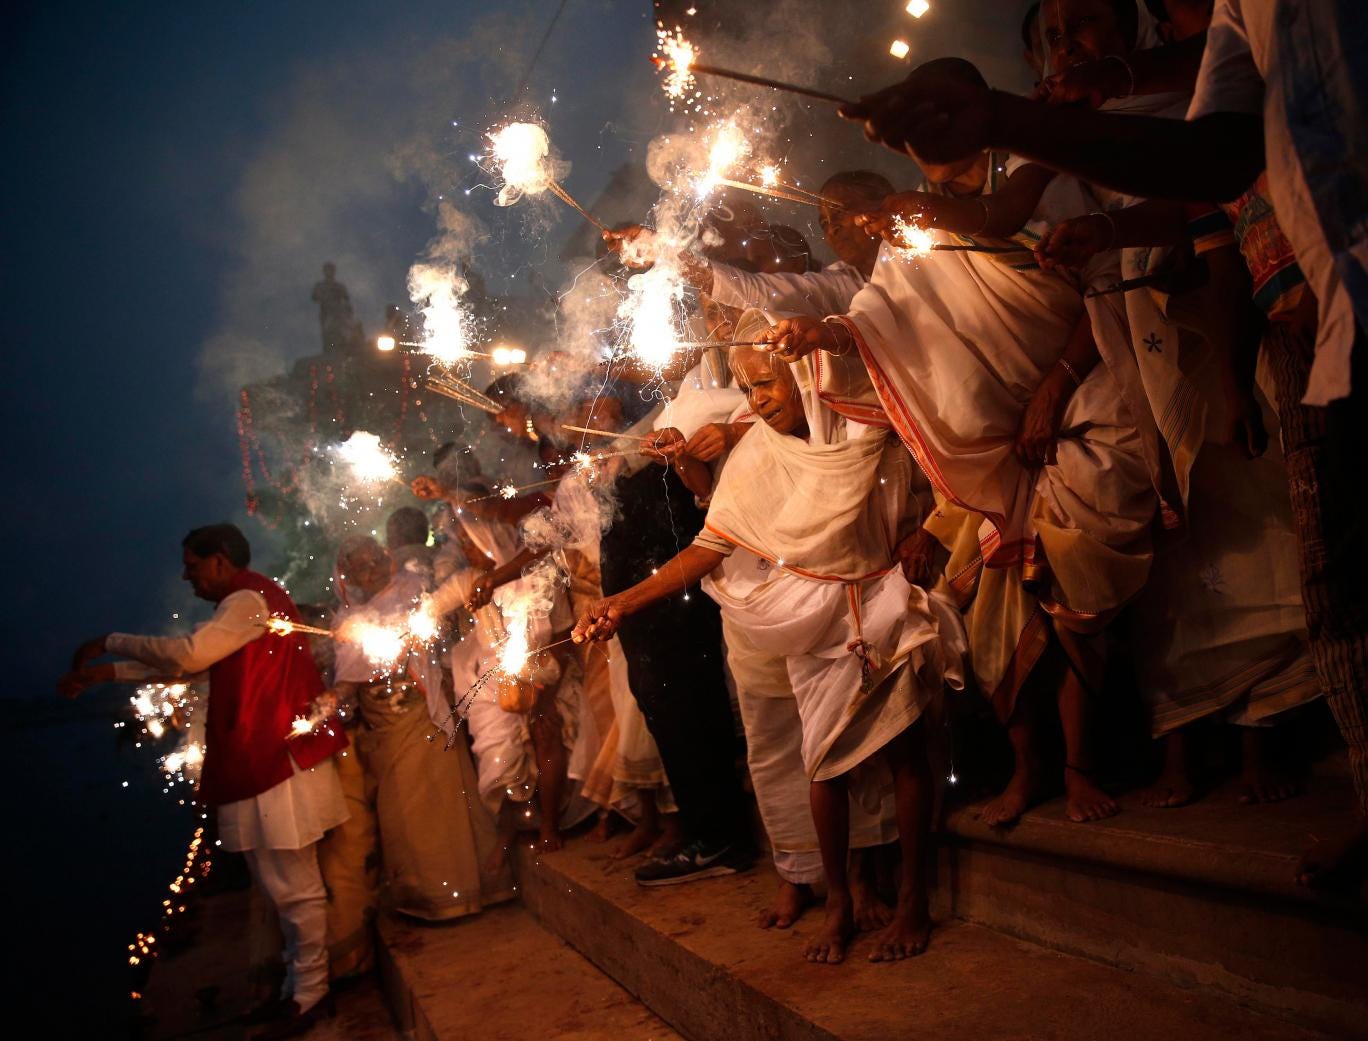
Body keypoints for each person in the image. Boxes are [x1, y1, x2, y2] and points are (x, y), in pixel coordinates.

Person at [845, 30, 1368, 883]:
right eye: (1053, 35)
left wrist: (1052, 166)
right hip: (1296, 322)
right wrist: (978, 167)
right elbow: (1217, 164)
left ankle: (1254, 742)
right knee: (1312, 573)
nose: (1069, 47)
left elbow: (1203, 189)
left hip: (1158, 360)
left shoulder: (1091, 127)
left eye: (1086, 24)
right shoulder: (1075, 135)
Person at [770, 65, 1160, 825]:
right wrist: (822, 332)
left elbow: (1105, 289)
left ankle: (1081, 767)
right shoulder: (909, 230)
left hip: (1082, 404)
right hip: (990, 449)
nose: (928, 152)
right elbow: (883, 319)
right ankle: (1029, 771)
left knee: (1072, 590)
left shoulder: (1048, 179)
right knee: (995, 616)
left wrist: (1055, 384)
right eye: (916, 143)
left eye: (936, 129)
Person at [577, 341, 962, 964]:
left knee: (906, 757)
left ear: (806, 374)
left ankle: (914, 897)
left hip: (880, 605)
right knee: (823, 767)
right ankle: (837, 899)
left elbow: (934, 480)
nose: (759, 400)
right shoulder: (757, 451)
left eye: (767, 385)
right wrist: (625, 601)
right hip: (809, 624)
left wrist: (922, 533)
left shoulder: (867, 425)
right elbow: (712, 544)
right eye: (750, 389)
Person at [59, 524, 348, 1040]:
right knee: (280, 887)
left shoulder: (247, 600)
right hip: (263, 760)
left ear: (219, 562)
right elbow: (194, 670)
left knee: (294, 887)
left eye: (192, 565)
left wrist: (108, 641)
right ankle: (298, 991)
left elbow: (189, 655)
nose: (187, 576)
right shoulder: (245, 605)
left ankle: (312, 993)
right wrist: (107, 674)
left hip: (279, 761)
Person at [329, 536, 515, 919]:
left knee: (442, 800)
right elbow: (350, 676)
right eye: (359, 567)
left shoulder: (412, 591)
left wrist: (393, 639)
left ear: (388, 560)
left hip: (420, 714)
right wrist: (335, 697)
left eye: (375, 561)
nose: (370, 572)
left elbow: (417, 632)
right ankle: (425, 895)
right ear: (347, 576)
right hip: (383, 728)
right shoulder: (347, 618)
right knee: (402, 811)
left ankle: (461, 893)